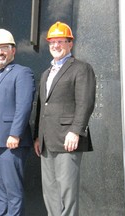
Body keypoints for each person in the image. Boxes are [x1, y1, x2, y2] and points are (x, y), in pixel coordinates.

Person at [33, 21, 96, 216]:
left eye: (61, 41)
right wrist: (38, 136)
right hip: (46, 142)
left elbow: (85, 102)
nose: (56, 46)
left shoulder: (80, 68)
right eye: (52, 42)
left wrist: (76, 131)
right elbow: (42, 106)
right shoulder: (46, 73)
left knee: (67, 195)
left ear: (70, 44)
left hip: (68, 140)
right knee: (50, 194)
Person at [0, 29, 36, 216]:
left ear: (13, 50)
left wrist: (15, 133)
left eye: (4, 47)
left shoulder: (22, 73)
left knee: (13, 193)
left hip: (12, 143)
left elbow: (24, 106)